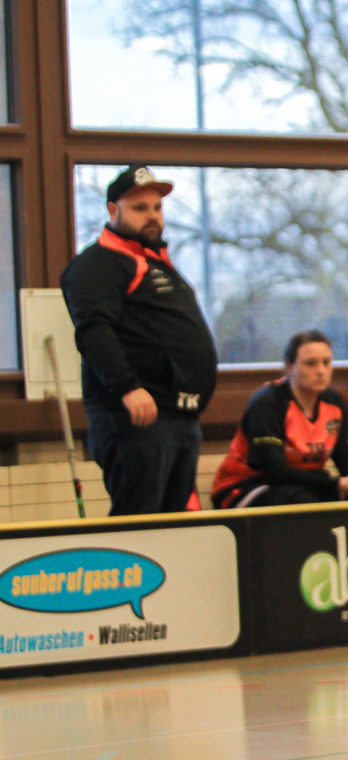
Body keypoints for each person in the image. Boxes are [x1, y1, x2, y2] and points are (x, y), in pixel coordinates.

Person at [59, 164, 217, 515]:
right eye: (140, 208)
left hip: (179, 415)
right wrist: (128, 387)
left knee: (174, 523)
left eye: (157, 208)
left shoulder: (157, 262)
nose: (152, 217)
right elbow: (94, 332)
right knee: (138, 523)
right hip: (137, 417)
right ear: (113, 210)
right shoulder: (98, 264)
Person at [211, 330, 348, 507]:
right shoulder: (268, 401)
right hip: (245, 486)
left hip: (304, 486)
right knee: (304, 503)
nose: (321, 371)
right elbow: (274, 471)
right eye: (311, 364)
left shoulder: (334, 402)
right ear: (290, 367)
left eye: (326, 363)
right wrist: (337, 484)